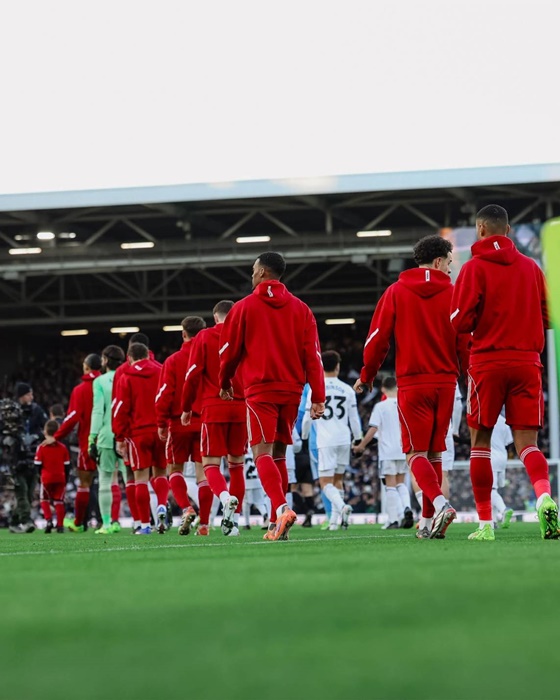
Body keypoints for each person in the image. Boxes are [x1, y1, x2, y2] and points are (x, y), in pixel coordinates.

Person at [451, 204, 559, 540]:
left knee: (480, 443)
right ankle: (544, 496)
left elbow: (459, 321)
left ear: (481, 229)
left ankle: (485, 524)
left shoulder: (473, 268)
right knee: (528, 444)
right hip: (527, 363)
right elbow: (548, 317)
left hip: (487, 363)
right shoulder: (531, 267)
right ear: (508, 230)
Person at [354, 235, 466, 540]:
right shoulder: (454, 293)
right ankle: (427, 524)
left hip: (414, 383)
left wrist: (367, 375)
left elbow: (377, 338)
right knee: (434, 454)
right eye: (449, 263)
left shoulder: (396, 291)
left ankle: (440, 505)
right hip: (446, 382)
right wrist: (469, 377)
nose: (450, 269)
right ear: (439, 261)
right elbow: (465, 340)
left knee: (414, 454)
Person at [219, 251, 326, 541]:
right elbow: (313, 355)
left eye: (254, 269)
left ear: (263, 272)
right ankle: (273, 524)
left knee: (261, 453)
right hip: (292, 390)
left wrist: (225, 381)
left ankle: (281, 509)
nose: (251, 274)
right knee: (279, 454)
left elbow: (229, 352)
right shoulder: (302, 309)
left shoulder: (243, 307)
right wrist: (318, 395)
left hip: (260, 389)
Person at [181, 302, 245, 537]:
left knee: (210, 465)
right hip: (241, 406)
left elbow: (192, 375)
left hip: (214, 406)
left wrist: (186, 408)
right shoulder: (243, 335)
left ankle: (226, 498)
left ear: (215, 317)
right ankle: (233, 524)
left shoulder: (205, 336)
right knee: (237, 465)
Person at [156, 316, 211, 536]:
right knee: (204, 474)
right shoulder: (210, 358)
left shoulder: (173, 361)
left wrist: (161, 423)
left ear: (183, 333)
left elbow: (164, 395)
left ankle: (187, 508)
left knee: (174, 469)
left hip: (179, 422)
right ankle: (204, 524)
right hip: (204, 421)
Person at [303, 350, 361, 531]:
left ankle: (342, 506)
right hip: (344, 439)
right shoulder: (347, 389)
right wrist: (358, 438)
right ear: (337, 367)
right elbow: (354, 418)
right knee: (338, 480)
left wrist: (304, 436)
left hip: (326, 440)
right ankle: (335, 523)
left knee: (325, 482)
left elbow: (307, 418)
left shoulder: (315, 389)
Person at [113, 343, 165, 535]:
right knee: (160, 474)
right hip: (160, 430)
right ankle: (162, 505)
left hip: (138, 434)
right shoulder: (161, 371)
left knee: (140, 479)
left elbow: (121, 408)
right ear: (148, 355)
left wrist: (120, 437)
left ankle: (144, 525)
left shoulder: (126, 376)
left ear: (129, 358)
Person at [353, 376, 413, 529]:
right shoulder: (405, 404)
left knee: (390, 486)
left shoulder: (380, 406)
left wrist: (362, 446)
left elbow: (373, 428)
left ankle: (393, 520)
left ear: (383, 389)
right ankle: (406, 507)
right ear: (397, 388)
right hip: (403, 449)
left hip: (387, 451)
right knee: (401, 483)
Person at [53, 354, 101, 533]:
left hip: (88, 441)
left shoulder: (81, 390)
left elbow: (72, 417)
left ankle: (80, 523)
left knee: (85, 483)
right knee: (109, 482)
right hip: (110, 439)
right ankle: (110, 521)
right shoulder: (109, 384)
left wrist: (57, 436)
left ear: (86, 367)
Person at [88, 345, 127, 534]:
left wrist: (92, 436)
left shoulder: (100, 381)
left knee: (104, 480)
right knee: (132, 480)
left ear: (104, 360)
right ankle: (141, 523)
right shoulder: (127, 376)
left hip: (106, 434)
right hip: (127, 435)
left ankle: (106, 524)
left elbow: (98, 410)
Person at [7, 383, 48, 533]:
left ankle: (14, 521)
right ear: (21, 396)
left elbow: (46, 427)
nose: (32, 397)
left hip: (34, 456)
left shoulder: (37, 410)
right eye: (28, 394)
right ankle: (26, 520)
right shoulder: (11, 412)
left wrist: (35, 436)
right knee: (21, 491)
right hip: (16, 458)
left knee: (29, 494)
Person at [35, 420, 70, 533]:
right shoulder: (63, 448)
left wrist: (39, 477)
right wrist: (66, 479)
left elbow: (37, 465)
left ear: (45, 431)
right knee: (59, 501)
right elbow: (67, 465)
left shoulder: (41, 447)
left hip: (46, 478)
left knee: (44, 499)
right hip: (60, 478)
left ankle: (49, 520)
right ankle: (60, 525)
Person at [491, 412, 514, 528]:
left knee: (490, 490)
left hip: (490, 457)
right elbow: (508, 442)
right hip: (502, 457)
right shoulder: (504, 421)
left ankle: (504, 510)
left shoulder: (486, 418)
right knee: (494, 490)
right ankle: (493, 521)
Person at [242, 447, 270, 529]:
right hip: (257, 480)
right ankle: (265, 516)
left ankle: (246, 523)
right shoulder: (255, 450)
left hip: (247, 481)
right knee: (260, 502)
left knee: (246, 503)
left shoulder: (243, 451)